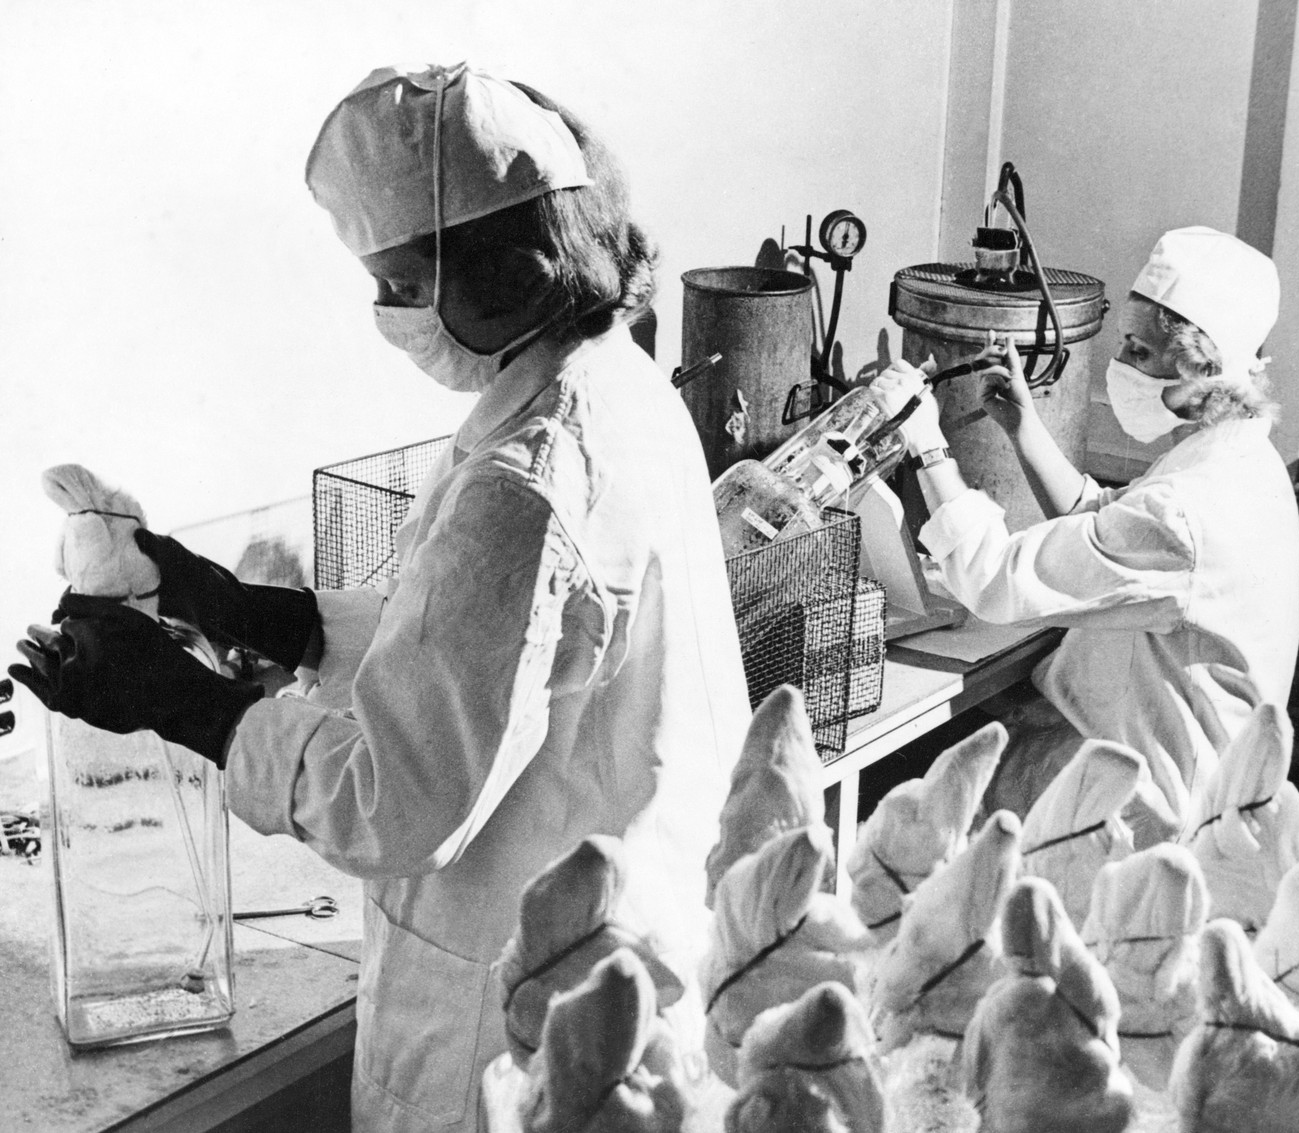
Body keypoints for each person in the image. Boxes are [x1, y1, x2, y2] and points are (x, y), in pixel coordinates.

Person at [11, 63, 751, 1132]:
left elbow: (392, 804)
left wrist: (186, 703)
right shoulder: (606, 382)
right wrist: (226, 598)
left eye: (403, 282)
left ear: (502, 267)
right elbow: (484, 652)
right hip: (614, 944)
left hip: (513, 1016)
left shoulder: (528, 475)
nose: (386, 312)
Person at [871, 226, 1299, 830]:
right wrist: (1024, 427)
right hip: (1171, 763)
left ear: (1203, 366)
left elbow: (995, 581)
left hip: (1148, 806)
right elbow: (1106, 525)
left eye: (1140, 352)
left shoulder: (1189, 510)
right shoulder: (1239, 459)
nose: (1120, 364)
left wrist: (927, 445)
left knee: (915, 796)